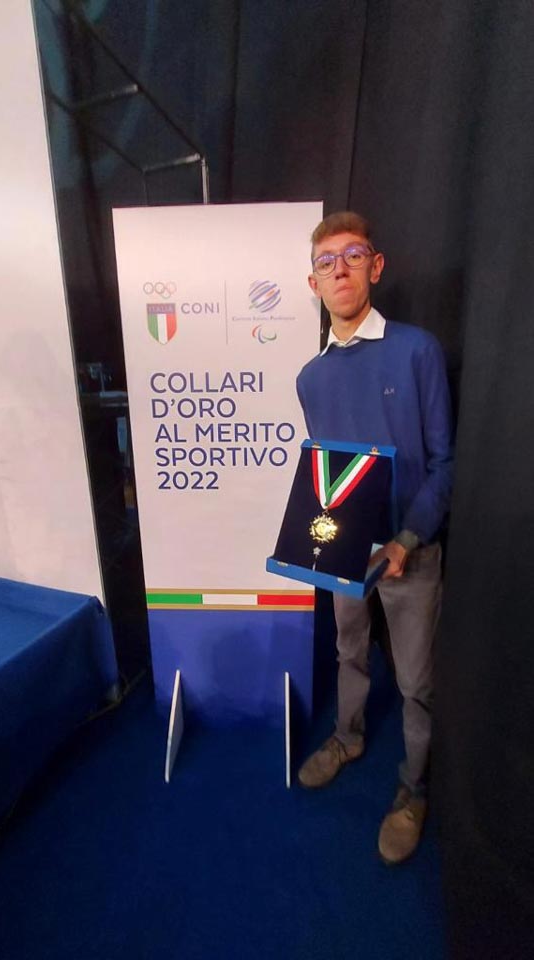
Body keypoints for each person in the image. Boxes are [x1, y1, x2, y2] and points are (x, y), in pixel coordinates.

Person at [296, 210, 454, 864]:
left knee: (416, 682)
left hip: (410, 552)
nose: (340, 269)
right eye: (326, 261)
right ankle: (349, 735)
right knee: (349, 651)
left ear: (375, 266)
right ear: (312, 282)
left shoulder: (417, 350)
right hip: (345, 553)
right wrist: (319, 536)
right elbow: (328, 471)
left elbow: (444, 462)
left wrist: (407, 540)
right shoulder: (310, 377)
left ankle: (414, 788)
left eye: (353, 255)